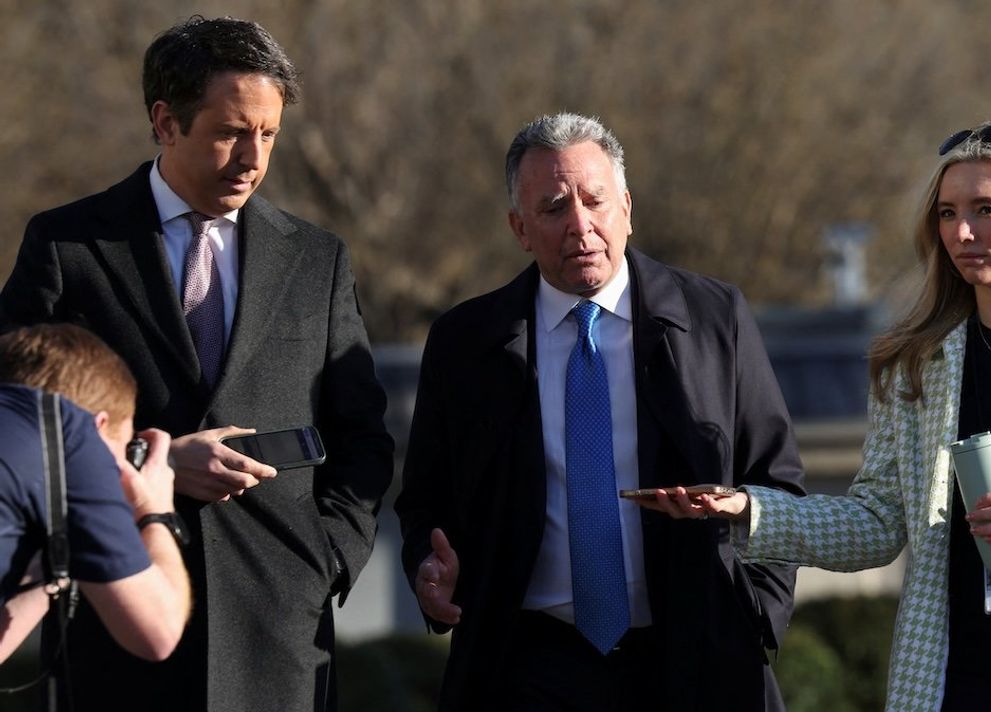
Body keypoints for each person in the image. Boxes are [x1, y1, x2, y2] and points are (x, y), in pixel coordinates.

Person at [648, 116, 991, 711]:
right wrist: (750, 510)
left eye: (985, 209)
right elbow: (879, 523)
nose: (962, 232)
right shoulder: (911, 363)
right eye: (946, 213)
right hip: (945, 685)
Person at [0, 16, 394, 712]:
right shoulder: (69, 245)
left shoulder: (317, 258)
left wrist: (328, 558)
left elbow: (361, 434)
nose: (253, 156)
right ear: (165, 121)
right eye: (231, 131)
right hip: (117, 624)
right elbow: (17, 426)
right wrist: (155, 464)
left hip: (282, 637)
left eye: (268, 134)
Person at [395, 112, 807, 711]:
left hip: (695, 653)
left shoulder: (714, 317)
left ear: (628, 208)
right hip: (529, 662)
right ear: (519, 228)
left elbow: (775, 480)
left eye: (595, 201)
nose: (580, 226)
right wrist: (427, 571)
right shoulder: (467, 342)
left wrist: (758, 607)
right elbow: (424, 497)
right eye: (554, 207)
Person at [0, 324, 190, 664]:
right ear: (101, 426)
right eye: (119, 452)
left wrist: (59, 557)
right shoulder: (68, 429)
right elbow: (158, 634)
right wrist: (155, 509)